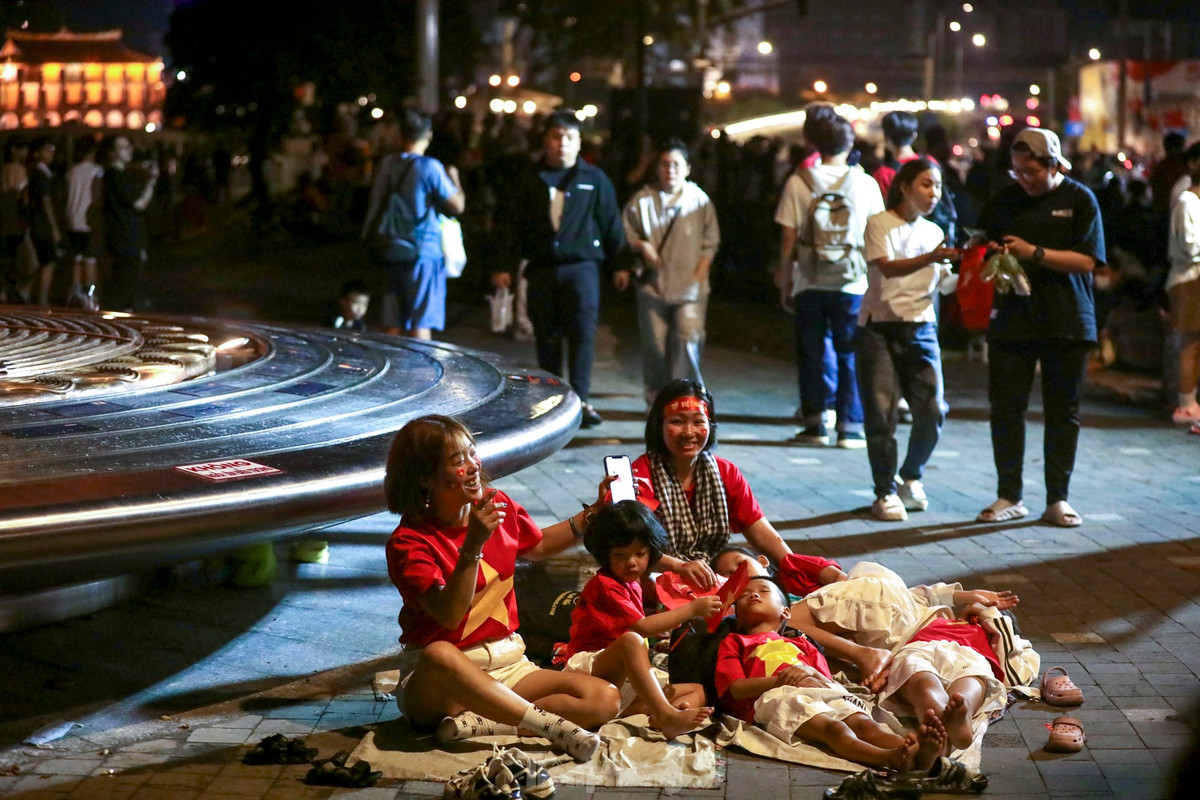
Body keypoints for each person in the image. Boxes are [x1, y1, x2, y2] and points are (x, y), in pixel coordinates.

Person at [383, 415, 619, 762]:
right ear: (425, 479)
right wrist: (473, 545)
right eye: (457, 460)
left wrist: (595, 513)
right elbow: (449, 615)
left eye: (472, 453)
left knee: (605, 699)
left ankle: (486, 724)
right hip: (443, 682)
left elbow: (537, 546)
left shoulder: (497, 503)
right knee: (439, 652)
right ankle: (550, 727)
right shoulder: (409, 542)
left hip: (509, 664)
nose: (473, 466)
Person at [973, 128, 1106, 527]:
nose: (1024, 180)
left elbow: (1089, 261)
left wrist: (1036, 253)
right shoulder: (1004, 201)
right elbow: (981, 246)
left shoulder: (1079, 199)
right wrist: (991, 255)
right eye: (1017, 172)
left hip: (1067, 319)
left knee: (1063, 412)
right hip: (1013, 319)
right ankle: (1009, 494)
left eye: (1031, 172)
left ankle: (1058, 498)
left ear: (1053, 164)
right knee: (1006, 409)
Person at [714, 576, 945, 772]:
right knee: (834, 729)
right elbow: (736, 688)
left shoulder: (803, 644)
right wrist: (778, 681)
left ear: (786, 612)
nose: (753, 595)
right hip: (778, 696)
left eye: (763, 591)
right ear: (736, 615)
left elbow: (824, 678)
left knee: (865, 724)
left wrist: (812, 677)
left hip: (820, 690)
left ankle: (916, 750)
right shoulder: (734, 642)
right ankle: (891, 758)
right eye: (744, 595)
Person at [492, 110, 627, 428]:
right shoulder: (529, 178)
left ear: (579, 142)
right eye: (555, 137)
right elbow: (510, 226)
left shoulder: (594, 179)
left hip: (582, 269)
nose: (561, 144)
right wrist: (502, 266)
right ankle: (552, 404)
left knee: (582, 336)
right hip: (541, 268)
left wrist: (620, 264)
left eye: (568, 137)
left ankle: (580, 402)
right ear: (546, 141)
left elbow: (611, 225)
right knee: (547, 337)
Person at [557, 500, 719, 739]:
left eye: (640, 554)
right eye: (620, 555)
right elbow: (641, 627)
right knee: (632, 641)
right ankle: (666, 714)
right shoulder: (606, 585)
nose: (632, 562)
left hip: (622, 678)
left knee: (698, 690)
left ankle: (666, 714)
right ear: (605, 556)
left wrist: (680, 567)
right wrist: (693, 609)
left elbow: (655, 558)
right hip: (592, 668)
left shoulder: (630, 578)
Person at [858, 159, 959, 522]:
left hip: (921, 327)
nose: (934, 194)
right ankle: (884, 490)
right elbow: (885, 266)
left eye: (937, 187)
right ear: (904, 186)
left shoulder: (935, 231)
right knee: (881, 414)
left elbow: (942, 283)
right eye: (926, 185)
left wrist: (974, 270)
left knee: (933, 410)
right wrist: (933, 257)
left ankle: (910, 476)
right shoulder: (879, 224)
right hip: (880, 327)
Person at [776, 113, 884, 448]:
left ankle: (816, 423)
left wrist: (784, 278)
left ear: (814, 144)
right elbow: (875, 233)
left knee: (812, 350)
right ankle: (850, 425)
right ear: (850, 144)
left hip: (810, 278)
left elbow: (788, 237)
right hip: (852, 282)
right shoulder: (865, 183)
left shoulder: (799, 182)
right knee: (849, 351)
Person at [631, 380, 792, 590]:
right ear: (659, 425)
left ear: (710, 425)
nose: (689, 432)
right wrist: (681, 567)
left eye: (699, 422)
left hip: (710, 568)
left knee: (743, 565)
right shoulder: (640, 475)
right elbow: (633, 549)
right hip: (658, 570)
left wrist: (798, 568)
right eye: (677, 422)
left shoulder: (725, 472)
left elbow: (762, 533)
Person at [622, 139, 720, 405]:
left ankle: (687, 397)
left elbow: (711, 241)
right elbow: (624, 233)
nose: (670, 170)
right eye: (665, 164)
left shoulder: (699, 200)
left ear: (687, 168)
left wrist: (699, 274)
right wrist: (642, 246)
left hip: (690, 289)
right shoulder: (642, 200)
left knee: (688, 339)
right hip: (653, 286)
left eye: (677, 164)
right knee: (654, 345)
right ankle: (656, 398)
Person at [362, 109, 464, 340]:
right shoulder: (430, 167)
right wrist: (455, 178)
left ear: (400, 135)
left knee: (392, 322)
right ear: (427, 136)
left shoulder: (386, 164)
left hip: (388, 248)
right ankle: (420, 373)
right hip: (423, 253)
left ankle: (392, 370)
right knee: (420, 321)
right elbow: (457, 206)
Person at [101, 135, 158, 312]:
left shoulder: (117, 174)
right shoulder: (115, 176)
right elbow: (139, 203)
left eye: (129, 146)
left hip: (126, 236)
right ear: (112, 153)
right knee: (124, 284)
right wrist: (151, 181)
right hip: (125, 237)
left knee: (128, 282)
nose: (129, 150)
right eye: (124, 147)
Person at [1167, 148, 1200, 426]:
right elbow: (1190, 248)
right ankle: (1186, 404)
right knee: (1190, 344)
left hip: (1194, 277)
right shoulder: (1188, 201)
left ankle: (1191, 401)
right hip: (1189, 280)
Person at [64, 137, 103, 310]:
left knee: (76, 259)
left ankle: (75, 295)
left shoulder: (71, 171)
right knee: (90, 260)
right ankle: (90, 296)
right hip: (88, 220)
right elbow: (97, 197)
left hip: (72, 218)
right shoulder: (97, 171)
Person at [26, 137, 60, 306]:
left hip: (39, 224)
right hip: (42, 225)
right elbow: (45, 201)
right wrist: (54, 227)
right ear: (38, 153)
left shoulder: (40, 173)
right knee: (48, 261)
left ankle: (27, 291)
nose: (51, 152)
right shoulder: (40, 174)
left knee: (43, 261)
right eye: (48, 149)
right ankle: (41, 298)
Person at [0, 137, 29, 303]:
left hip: (5, 218)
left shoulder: (4, 169)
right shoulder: (18, 169)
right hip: (14, 219)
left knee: (7, 257)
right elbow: (20, 196)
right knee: (14, 258)